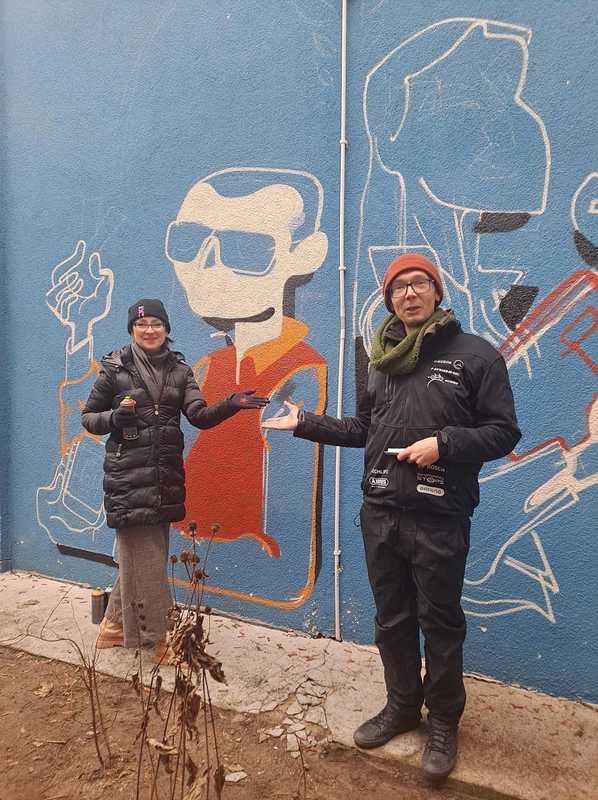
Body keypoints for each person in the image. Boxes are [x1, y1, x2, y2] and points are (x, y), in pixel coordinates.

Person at [262, 253, 521, 784]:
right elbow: (365, 429)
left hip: (439, 516)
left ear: (436, 292)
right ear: (389, 300)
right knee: (392, 620)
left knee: (440, 623)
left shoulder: (476, 355)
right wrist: (306, 422)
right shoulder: (379, 360)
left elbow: (503, 432)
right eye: (399, 287)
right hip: (381, 513)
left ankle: (443, 722)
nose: (409, 293)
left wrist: (444, 444)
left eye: (419, 283)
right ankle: (402, 706)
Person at [81, 298, 268, 660]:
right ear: (132, 330)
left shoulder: (180, 370)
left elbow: (198, 415)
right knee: (148, 561)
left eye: (156, 324)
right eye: (141, 324)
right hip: (127, 478)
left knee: (143, 557)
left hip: (165, 477)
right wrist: (113, 419)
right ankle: (158, 640)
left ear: (166, 329)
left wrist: (230, 404)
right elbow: (89, 418)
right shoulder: (115, 369)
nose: (149, 330)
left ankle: (114, 627)